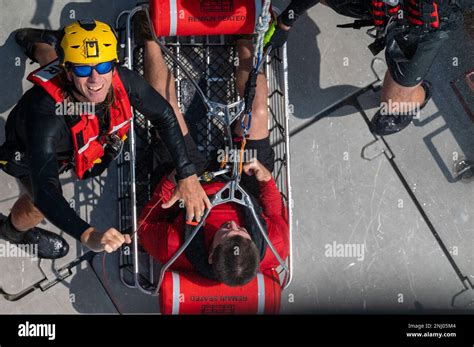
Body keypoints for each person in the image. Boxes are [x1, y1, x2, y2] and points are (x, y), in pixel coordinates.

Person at [0, 19, 211, 259]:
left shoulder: (119, 78)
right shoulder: (46, 115)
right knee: (36, 208)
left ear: (113, 65)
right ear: (68, 71)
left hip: (78, 129)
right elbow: (45, 191)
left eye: (103, 66)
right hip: (31, 149)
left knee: (77, 80)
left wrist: (187, 172)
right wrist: (88, 234)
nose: (96, 79)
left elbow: (164, 114)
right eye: (82, 68)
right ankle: (12, 232)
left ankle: (40, 44)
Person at [136, 25, 289, 286]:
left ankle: (149, 36)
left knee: (167, 112)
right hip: (243, 180)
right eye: (242, 230)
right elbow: (276, 215)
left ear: (209, 254)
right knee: (257, 110)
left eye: (225, 232)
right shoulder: (274, 246)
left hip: (189, 182)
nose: (232, 223)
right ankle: (244, 41)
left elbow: (144, 228)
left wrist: (175, 180)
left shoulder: (174, 247)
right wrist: (266, 181)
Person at [265, 0, 468, 136]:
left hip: (422, 23)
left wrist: (284, 23)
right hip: (374, 7)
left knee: (392, 109)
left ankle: (419, 91)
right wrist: (285, 22)